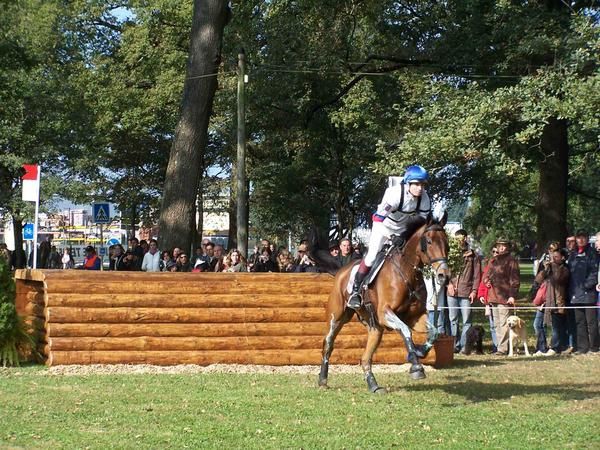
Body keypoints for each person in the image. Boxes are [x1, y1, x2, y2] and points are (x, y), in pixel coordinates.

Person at [347, 165, 431, 310]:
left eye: (422, 184)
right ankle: (355, 291)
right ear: (408, 183)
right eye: (417, 184)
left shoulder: (424, 199)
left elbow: (421, 225)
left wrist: (405, 236)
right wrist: (390, 236)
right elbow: (378, 218)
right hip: (382, 227)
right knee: (372, 256)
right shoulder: (394, 194)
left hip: (401, 231)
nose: (420, 188)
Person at [482, 238, 520, 356]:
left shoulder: (511, 261)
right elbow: (486, 275)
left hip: (504, 297)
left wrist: (512, 296)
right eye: (499, 246)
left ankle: (503, 349)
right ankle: (500, 347)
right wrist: (486, 281)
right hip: (493, 296)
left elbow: (515, 280)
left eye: (504, 246)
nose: (501, 248)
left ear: (507, 247)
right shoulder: (493, 261)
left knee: (504, 323)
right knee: (497, 324)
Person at [446, 229, 482, 354]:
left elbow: (477, 276)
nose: (459, 240)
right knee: (453, 320)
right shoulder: (450, 253)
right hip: (452, 293)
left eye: (461, 238)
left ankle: (463, 346)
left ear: (465, 238)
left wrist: (474, 291)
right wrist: (448, 284)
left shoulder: (474, 256)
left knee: (467, 321)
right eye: (457, 238)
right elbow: (444, 272)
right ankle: (454, 345)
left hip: (466, 292)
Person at [566, 229, 599, 354]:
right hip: (575, 294)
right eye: (579, 237)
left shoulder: (592, 253)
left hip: (588, 293)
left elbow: (594, 272)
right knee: (579, 322)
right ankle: (582, 347)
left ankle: (594, 347)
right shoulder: (572, 254)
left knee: (591, 322)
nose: (581, 240)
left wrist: (586, 285)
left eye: (583, 237)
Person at [535, 248, 570, 356]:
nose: (553, 259)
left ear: (562, 258)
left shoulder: (565, 269)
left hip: (558, 301)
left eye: (556, 257)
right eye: (551, 257)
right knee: (537, 324)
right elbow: (538, 280)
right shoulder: (548, 269)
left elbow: (558, 280)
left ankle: (555, 347)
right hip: (546, 301)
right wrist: (545, 270)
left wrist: (553, 267)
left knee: (556, 326)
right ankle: (542, 347)